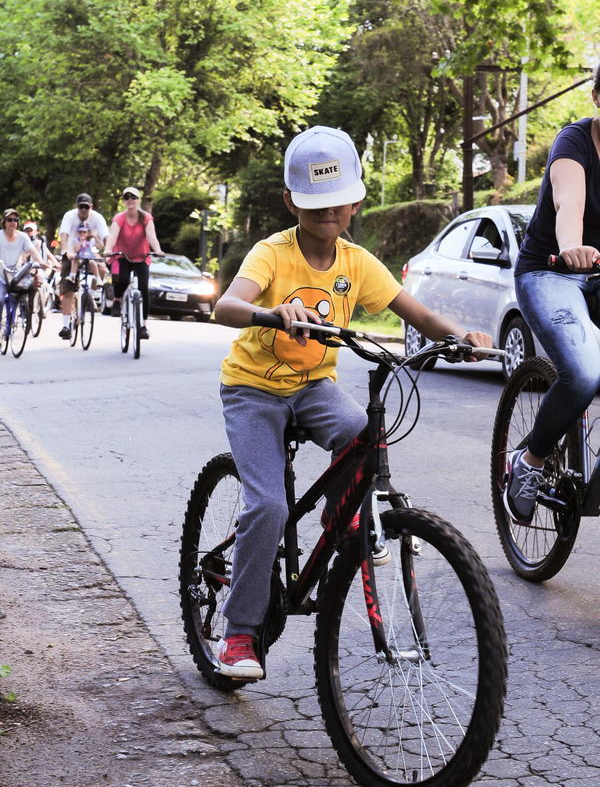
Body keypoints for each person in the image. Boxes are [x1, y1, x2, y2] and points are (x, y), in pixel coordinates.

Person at [213, 125, 493, 679]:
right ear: (291, 201)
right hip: (253, 390)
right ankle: (239, 634)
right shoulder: (272, 253)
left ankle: (341, 523)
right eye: (314, 204)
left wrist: (460, 337)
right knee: (266, 506)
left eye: (338, 203)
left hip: (314, 388)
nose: (327, 213)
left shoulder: (358, 262)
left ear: (356, 202)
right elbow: (226, 306)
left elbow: (415, 312)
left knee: (364, 435)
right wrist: (272, 313)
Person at [504, 69, 600, 525]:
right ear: (598, 97)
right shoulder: (574, 142)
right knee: (583, 375)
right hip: (552, 270)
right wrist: (570, 246)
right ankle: (530, 462)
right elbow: (569, 201)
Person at [104, 187, 164, 340]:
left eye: (133, 197)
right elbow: (113, 236)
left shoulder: (146, 218)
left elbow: (151, 236)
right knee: (122, 280)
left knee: (143, 288)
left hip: (142, 256)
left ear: (138, 200)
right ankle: (117, 300)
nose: (130, 199)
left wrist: (157, 250)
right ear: (123, 201)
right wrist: (108, 249)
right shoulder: (119, 218)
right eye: (126, 197)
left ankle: (143, 325)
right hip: (123, 256)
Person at [58, 193, 109, 340]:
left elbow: (106, 237)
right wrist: (66, 250)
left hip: (90, 254)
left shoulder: (97, 218)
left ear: (91, 207)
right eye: (81, 207)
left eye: (86, 207)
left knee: (102, 269)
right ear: (77, 206)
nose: (84, 210)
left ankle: (90, 295)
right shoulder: (69, 216)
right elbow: (64, 235)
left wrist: (108, 250)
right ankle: (66, 325)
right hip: (72, 254)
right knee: (68, 288)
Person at [0, 209, 48, 318]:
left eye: (15, 220)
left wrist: (41, 262)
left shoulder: (22, 237)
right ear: (4, 222)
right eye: (10, 220)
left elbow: (33, 251)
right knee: (0, 299)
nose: (13, 222)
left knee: (31, 288)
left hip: (16, 275)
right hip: (1, 276)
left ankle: (29, 313)